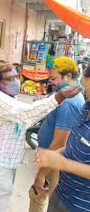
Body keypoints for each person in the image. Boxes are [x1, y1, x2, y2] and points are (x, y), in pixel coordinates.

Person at [0, 63, 81, 212]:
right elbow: (26, 113)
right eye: (9, 79)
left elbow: (27, 115)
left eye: (16, 76)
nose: (16, 81)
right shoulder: (1, 101)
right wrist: (57, 97)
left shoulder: (11, 98)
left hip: (5, 161)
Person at [29, 57, 84, 212]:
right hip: (49, 159)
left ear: (67, 76)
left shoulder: (68, 103)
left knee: (38, 197)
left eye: (54, 78)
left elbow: (59, 143)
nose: (51, 82)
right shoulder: (66, 96)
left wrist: (41, 174)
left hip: (52, 163)